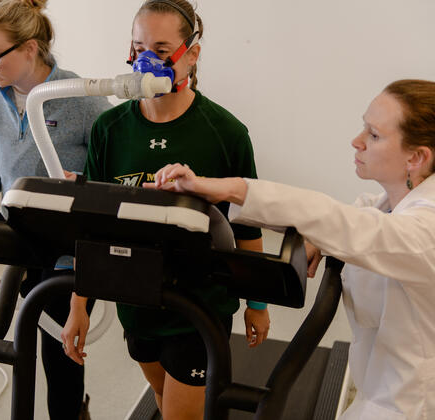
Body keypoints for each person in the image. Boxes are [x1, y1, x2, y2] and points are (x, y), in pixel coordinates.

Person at [146, 79, 435, 420]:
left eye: (373, 135)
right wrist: (321, 236)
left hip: (408, 406)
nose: (356, 141)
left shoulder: (426, 230)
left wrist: (227, 189)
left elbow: (352, 225)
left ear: (416, 157)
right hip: (382, 390)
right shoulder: (392, 205)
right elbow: (357, 216)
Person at [61, 1, 269, 418]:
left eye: (160, 48)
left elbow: (246, 227)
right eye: (138, 47)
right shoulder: (110, 129)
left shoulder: (225, 133)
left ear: (191, 53)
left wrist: (258, 304)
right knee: (162, 396)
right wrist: (77, 306)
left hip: (200, 306)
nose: (145, 61)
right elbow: (96, 227)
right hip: (136, 303)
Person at [0, 0, 111, 418]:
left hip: (68, 246)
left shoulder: (80, 99)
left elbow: (108, 175)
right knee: (21, 343)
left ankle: (71, 413)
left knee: (59, 354)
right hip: (20, 238)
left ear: (31, 48)